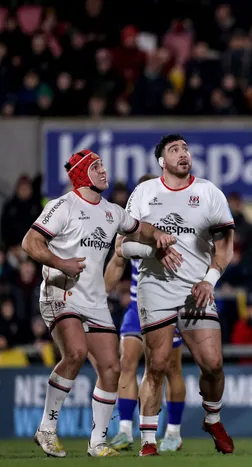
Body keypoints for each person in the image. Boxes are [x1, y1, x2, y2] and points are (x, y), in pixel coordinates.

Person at [22, 150, 175, 457]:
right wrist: (61, 263)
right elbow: (30, 242)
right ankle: (46, 429)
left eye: (103, 165)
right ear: (82, 174)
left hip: (94, 300)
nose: (104, 171)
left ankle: (97, 443)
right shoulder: (62, 206)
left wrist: (158, 235)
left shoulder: (111, 211)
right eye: (96, 166)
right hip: (61, 293)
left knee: (111, 368)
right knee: (76, 352)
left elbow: (138, 229)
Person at [122, 134, 235, 456]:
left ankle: (212, 420)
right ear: (162, 161)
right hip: (155, 288)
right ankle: (148, 440)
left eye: (185, 148)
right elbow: (124, 246)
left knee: (213, 364)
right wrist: (153, 250)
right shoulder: (144, 193)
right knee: (157, 365)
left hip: (196, 289)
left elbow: (225, 246)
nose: (183, 153)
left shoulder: (209, 192)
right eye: (174, 150)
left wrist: (209, 280)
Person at [105, 175, 187, 453]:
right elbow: (117, 262)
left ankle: (173, 433)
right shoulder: (132, 226)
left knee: (169, 368)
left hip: (168, 305)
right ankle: (125, 430)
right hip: (136, 306)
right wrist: (98, 298)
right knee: (126, 362)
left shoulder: (175, 223)